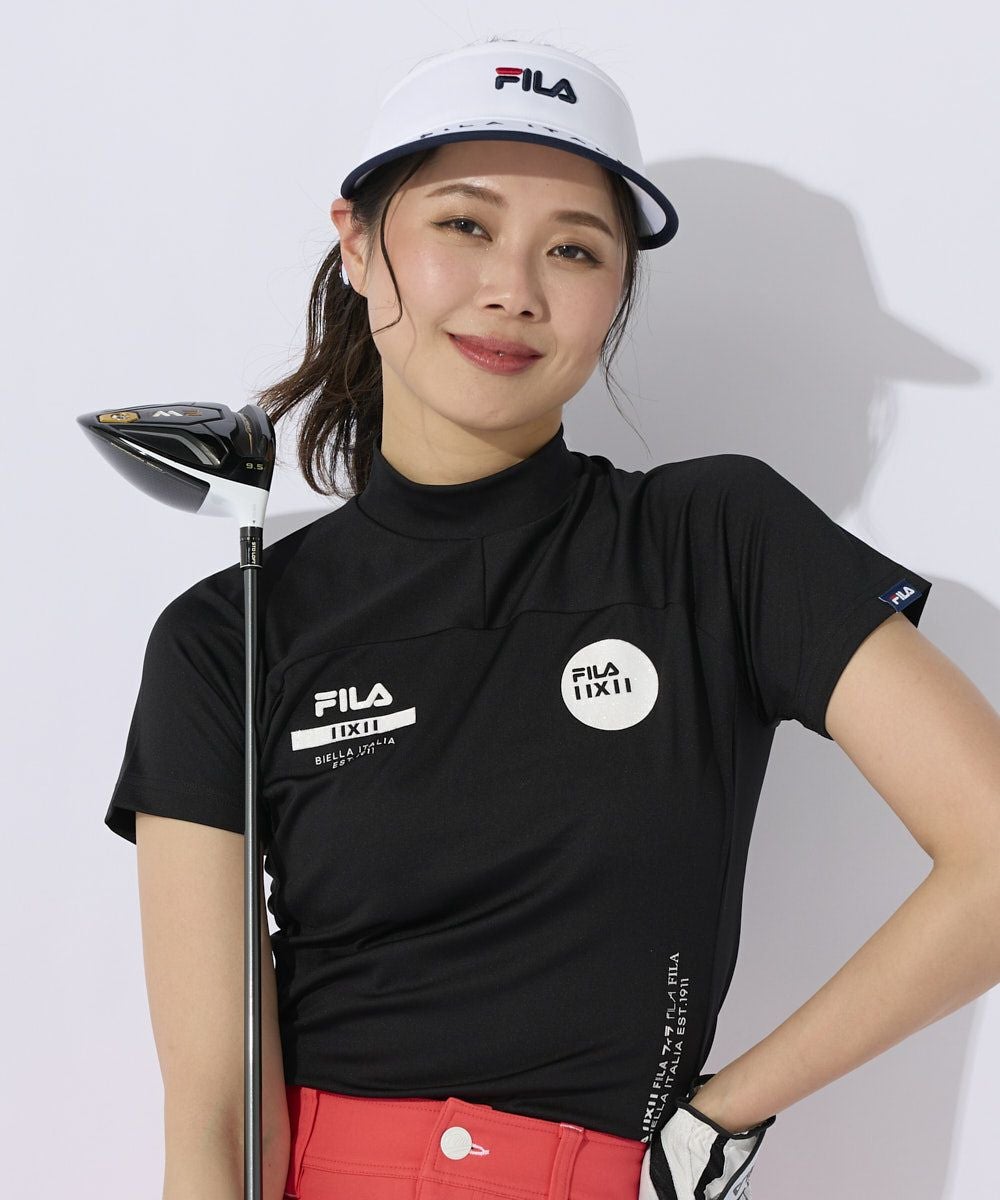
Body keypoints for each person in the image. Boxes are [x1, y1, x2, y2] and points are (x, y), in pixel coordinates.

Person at [103, 34, 1000, 1200]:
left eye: (572, 248)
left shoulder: (717, 540)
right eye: (463, 225)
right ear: (359, 245)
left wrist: (720, 1116)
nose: (514, 290)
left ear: (616, 291)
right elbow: (218, 1121)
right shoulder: (231, 631)